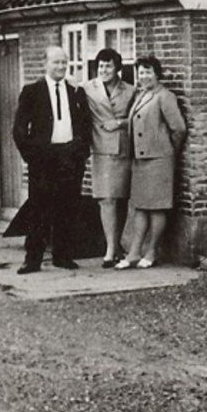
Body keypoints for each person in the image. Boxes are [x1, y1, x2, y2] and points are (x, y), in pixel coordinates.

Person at [11, 45, 90, 274]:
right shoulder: (32, 91)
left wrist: (80, 152)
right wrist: (32, 156)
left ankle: (62, 256)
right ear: (45, 63)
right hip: (43, 159)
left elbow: (85, 124)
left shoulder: (76, 91)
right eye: (56, 62)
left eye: (64, 62)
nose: (61, 66)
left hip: (70, 157)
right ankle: (33, 259)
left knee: (67, 207)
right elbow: (19, 129)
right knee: (39, 208)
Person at [116, 55, 186, 269]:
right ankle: (134, 252)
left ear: (157, 74)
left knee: (156, 208)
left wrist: (166, 150)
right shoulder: (141, 95)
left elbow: (179, 128)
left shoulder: (165, 96)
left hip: (158, 159)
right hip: (140, 159)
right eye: (140, 73)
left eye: (148, 72)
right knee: (140, 207)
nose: (144, 76)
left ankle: (152, 251)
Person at [83, 48, 136, 268]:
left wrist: (120, 123)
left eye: (108, 66)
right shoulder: (87, 88)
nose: (104, 70)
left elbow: (138, 117)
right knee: (106, 199)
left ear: (118, 68)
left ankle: (118, 245)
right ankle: (110, 249)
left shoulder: (130, 90)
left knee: (120, 198)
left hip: (123, 149)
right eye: (101, 66)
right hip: (101, 149)